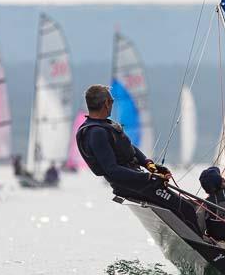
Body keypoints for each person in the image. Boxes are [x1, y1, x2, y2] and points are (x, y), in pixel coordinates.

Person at [75, 84, 200, 233]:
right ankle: (208, 248)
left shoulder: (105, 126)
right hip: (132, 185)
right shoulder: (96, 132)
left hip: (137, 180)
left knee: (189, 206)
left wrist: (149, 164)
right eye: (112, 101)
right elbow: (112, 170)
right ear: (106, 103)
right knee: (185, 209)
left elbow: (130, 148)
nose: (112, 105)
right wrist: (148, 178)